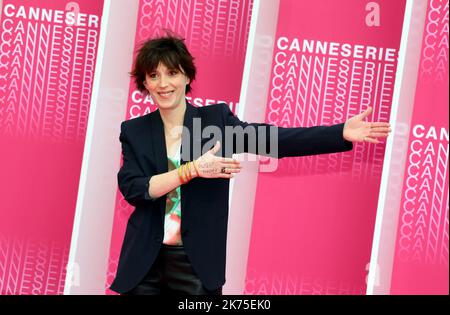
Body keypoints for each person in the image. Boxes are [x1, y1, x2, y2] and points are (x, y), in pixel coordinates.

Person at [109, 34, 391, 295]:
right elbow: (135, 189)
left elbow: (273, 140)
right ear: (144, 83)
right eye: (154, 75)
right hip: (144, 264)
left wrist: (338, 132)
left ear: (186, 76)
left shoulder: (215, 122)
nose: (163, 83)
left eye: (171, 73)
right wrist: (192, 169)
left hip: (196, 265)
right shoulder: (135, 131)